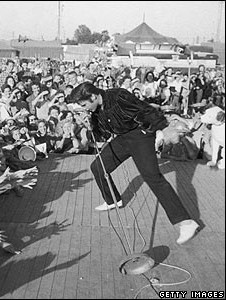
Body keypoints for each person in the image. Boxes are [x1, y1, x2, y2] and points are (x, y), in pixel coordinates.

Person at [68, 82, 199, 245]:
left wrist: (162, 129)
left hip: (140, 136)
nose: (85, 108)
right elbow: (101, 133)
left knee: (152, 177)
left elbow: (146, 110)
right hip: (123, 139)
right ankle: (113, 200)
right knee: (98, 167)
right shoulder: (95, 110)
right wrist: (90, 125)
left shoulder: (118, 96)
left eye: (84, 104)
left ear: (93, 96)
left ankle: (186, 222)